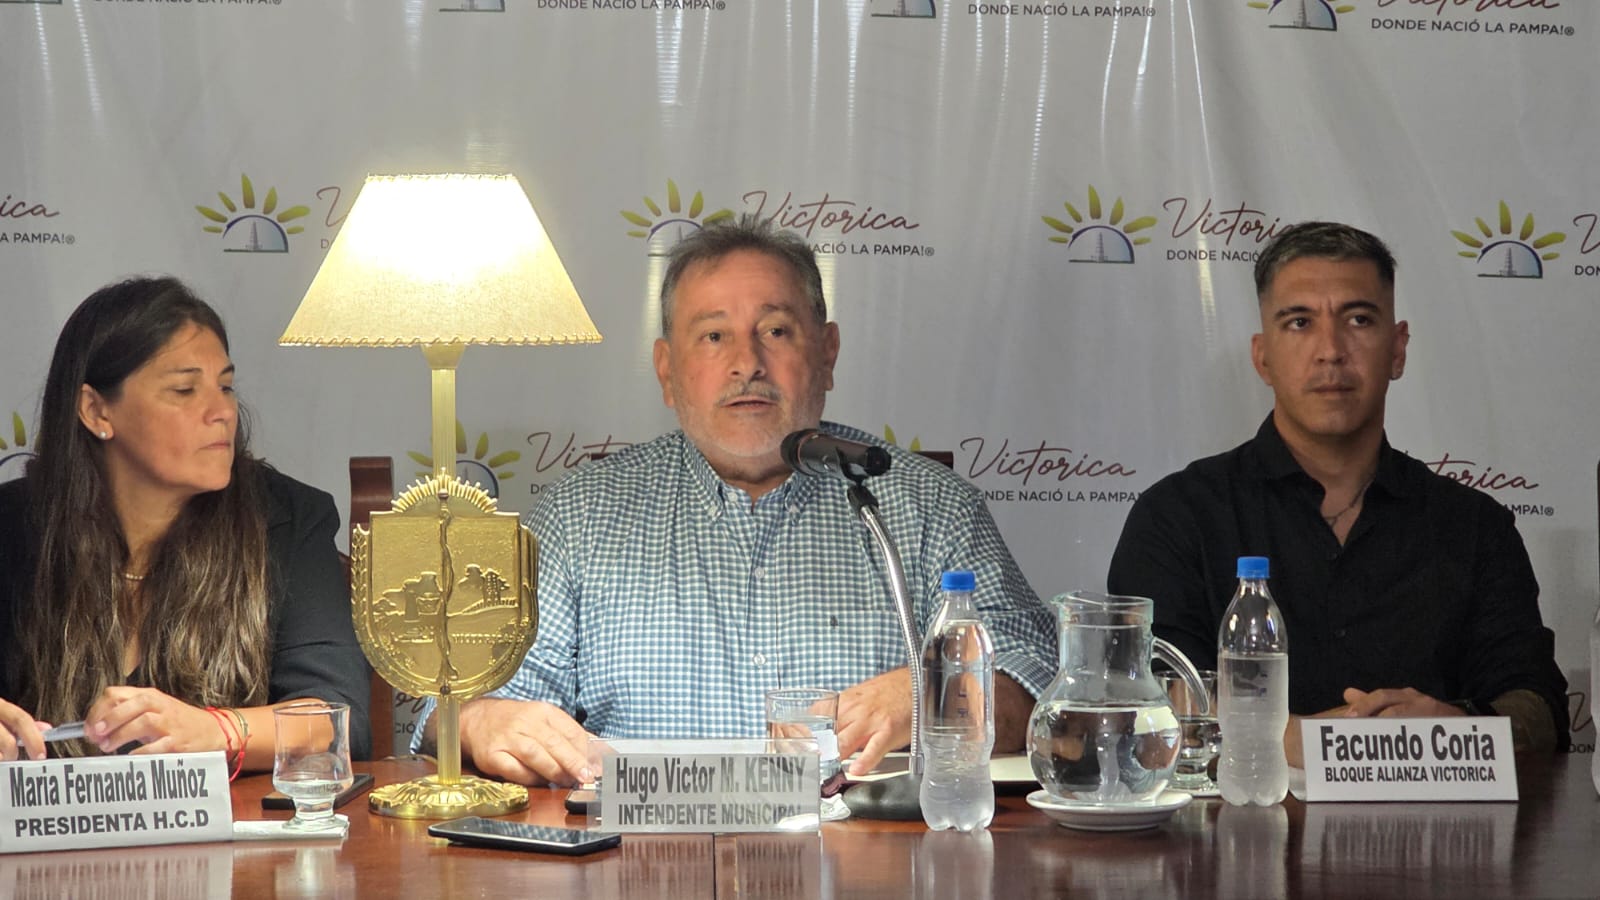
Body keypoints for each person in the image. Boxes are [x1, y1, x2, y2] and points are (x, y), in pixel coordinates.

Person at [425, 215, 1056, 786]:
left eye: (775, 331)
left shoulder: (928, 505)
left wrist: (933, 694)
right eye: (713, 337)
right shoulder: (579, 515)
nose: (746, 363)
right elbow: (461, 705)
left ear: (827, 354)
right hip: (639, 854)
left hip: (867, 851)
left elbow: (1045, 690)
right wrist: (479, 721)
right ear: (666, 371)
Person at [1107, 221, 1568, 764]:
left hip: (1434, 818)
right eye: (1300, 323)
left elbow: (1540, 711)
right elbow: (1144, 709)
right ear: (1263, 357)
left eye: (1358, 319)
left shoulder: (1474, 526)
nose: (1331, 350)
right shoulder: (1177, 516)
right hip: (1235, 818)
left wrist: (1454, 728)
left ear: (1397, 350)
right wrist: (1324, 745)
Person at [0, 277, 370, 766]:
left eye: (226, 386)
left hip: (230, 815)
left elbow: (336, 720)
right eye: (184, 389)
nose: (222, 412)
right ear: (96, 410)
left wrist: (215, 730)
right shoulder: (14, 528)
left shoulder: (286, 519)